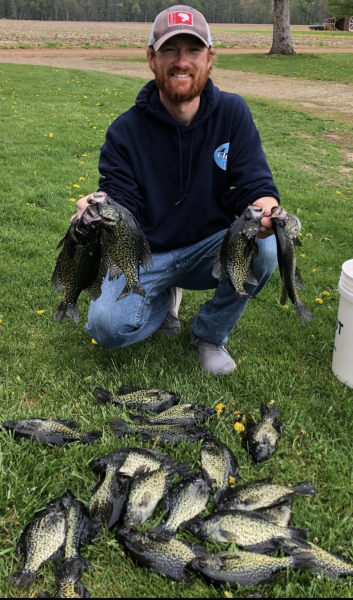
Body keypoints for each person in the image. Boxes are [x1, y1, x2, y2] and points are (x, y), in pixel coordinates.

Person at [75, 5, 280, 376]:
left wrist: (267, 209)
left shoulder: (233, 114)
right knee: (106, 327)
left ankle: (209, 334)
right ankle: (163, 301)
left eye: (193, 50)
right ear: (151, 59)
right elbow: (124, 204)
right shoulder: (124, 132)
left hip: (209, 250)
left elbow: (255, 184)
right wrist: (100, 209)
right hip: (147, 254)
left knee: (266, 244)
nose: (181, 62)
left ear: (210, 59)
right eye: (170, 50)